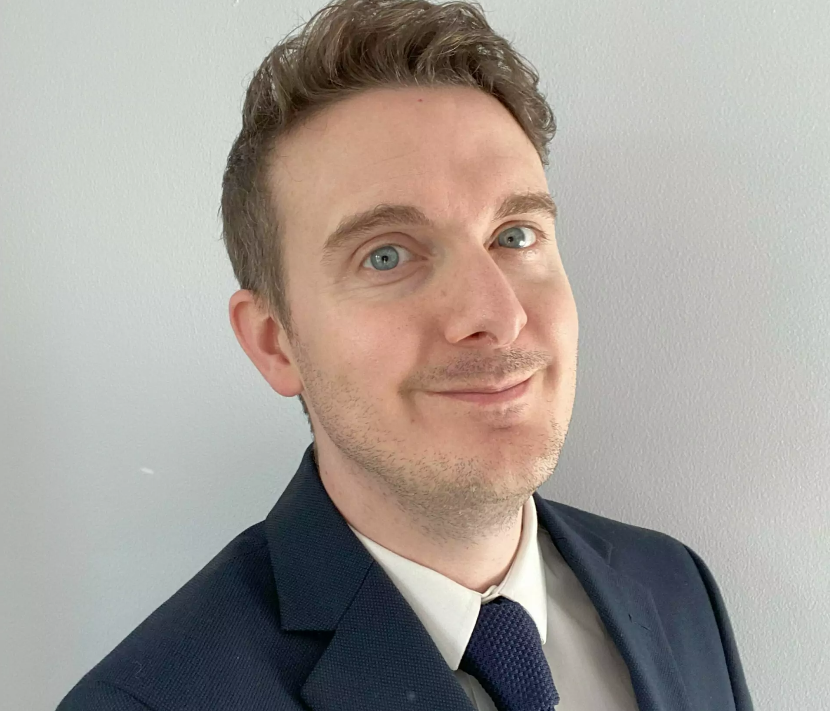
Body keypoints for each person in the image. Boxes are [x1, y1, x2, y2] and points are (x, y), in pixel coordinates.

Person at [58, 0, 754, 709]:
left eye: (515, 235)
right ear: (274, 341)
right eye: (386, 254)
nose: (497, 314)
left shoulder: (675, 586)